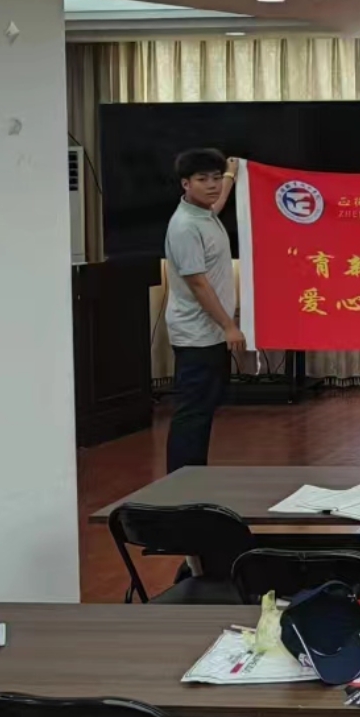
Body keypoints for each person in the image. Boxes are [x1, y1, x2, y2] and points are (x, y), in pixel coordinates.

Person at [163, 148, 242, 473]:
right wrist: (229, 325)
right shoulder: (185, 226)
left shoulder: (205, 214)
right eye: (202, 179)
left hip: (210, 332)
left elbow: (218, 202)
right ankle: (182, 481)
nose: (212, 185)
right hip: (197, 334)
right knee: (193, 412)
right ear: (186, 183)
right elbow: (197, 283)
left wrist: (230, 176)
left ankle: (195, 476)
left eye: (215, 178)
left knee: (205, 408)